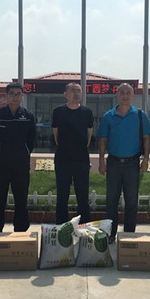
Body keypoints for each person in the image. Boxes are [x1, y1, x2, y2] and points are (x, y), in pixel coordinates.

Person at [97, 83, 150, 242]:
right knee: (111, 201)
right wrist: (101, 161)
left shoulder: (140, 115)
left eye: (128, 92)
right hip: (113, 163)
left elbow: (146, 138)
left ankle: (128, 234)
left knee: (131, 201)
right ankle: (110, 233)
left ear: (133, 95)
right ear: (117, 95)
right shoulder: (108, 116)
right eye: (122, 92)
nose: (125, 96)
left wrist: (146, 159)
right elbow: (103, 140)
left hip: (132, 163)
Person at [0, 82, 36, 232]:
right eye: (12, 94)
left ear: (22, 96)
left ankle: (21, 231)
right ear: (6, 96)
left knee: (21, 199)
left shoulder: (28, 116)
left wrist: (23, 153)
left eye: (18, 94)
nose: (15, 97)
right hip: (1, 165)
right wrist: (2, 152)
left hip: (21, 165)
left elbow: (31, 140)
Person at [51, 83, 94, 224]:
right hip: (62, 159)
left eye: (78, 91)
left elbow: (89, 135)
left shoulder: (87, 112)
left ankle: (83, 227)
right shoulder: (58, 112)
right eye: (73, 90)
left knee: (83, 197)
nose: (76, 93)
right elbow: (56, 135)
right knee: (62, 196)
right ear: (65, 94)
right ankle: (61, 227)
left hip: (81, 160)